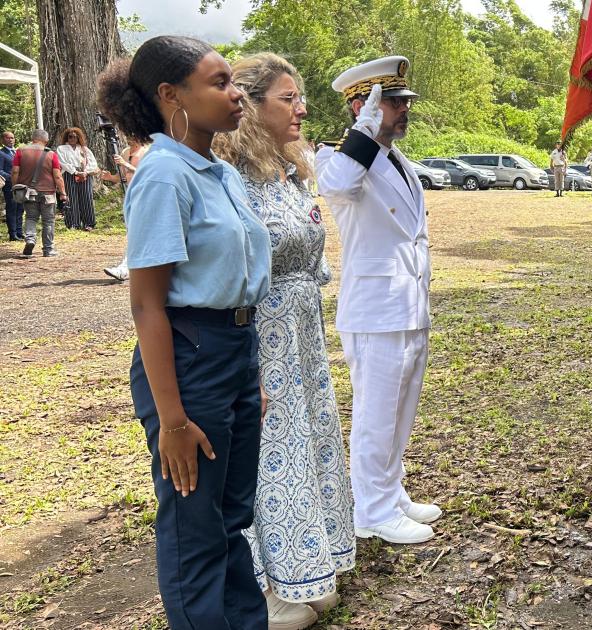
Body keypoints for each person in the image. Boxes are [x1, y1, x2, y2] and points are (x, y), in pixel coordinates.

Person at [97, 35, 271, 628]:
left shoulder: (218, 172)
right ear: (172, 95)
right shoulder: (165, 175)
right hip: (190, 358)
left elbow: (239, 280)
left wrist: (253, 374)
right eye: (219, 83)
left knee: (231, 517)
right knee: (195, 528)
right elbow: (147, 305)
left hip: (234, 352)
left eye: (235, 82)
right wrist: (172, 421)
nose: (236, 94)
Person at [212, 52, 355, 630]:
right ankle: (263, 584)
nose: (302, 108)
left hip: (303, 339)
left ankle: (306, 563)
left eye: (300, 98)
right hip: (261, 340)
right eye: (288, 98)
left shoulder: (289, 172)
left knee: (307, 441)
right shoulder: (230, 178)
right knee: (268, 452)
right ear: (249, 103)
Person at [316, 56, 442, 545]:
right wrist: (364, 131)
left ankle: (390, 492)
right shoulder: (338, 157)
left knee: (400, 408)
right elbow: (339, 186)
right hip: (374, 308)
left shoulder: (397, 160)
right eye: (391, 102)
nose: (402, 110)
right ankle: (370, 509)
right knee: (376, 413)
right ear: (361, 105)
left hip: (408, 302)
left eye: (403, 101)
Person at [102, 135, 150, 282]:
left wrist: (126, 164)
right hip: (130, 194)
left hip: (146, 194)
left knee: (138, 231)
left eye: (132, 136)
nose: (130, 139)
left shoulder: (148, 152)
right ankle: (130, 268)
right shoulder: (125, 151)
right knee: (133, 231)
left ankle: (126, 268)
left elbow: (147, 173)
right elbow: (122, 176)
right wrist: (110, 177)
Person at [12, 130, 67, 258]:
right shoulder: (51, 154)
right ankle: (48, 249)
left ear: (33, 138)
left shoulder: (20, 151)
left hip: (28, 191)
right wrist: (63, 192)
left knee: (31, 217)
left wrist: (15, 187)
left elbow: (15, 171)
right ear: (46, 140)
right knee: (48, 221)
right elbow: (57, 176)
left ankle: (30, 240)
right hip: (48, 192)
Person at [57, 127, 101, 230]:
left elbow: (93, 163)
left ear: (79, 138)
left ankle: (89, 223)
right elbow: (63, 162)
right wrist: (76, 172)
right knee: (71, 199)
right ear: (67, 137)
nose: (73, 139)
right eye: (70, 137)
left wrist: (85, 172)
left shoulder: (84, 149)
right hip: (69, 174)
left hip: (85, 174)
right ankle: (73, 223)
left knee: (86, 198)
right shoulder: (61, 148)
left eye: (75, 137)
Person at [1, 131, 20, 240]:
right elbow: (0, 171)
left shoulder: (17, 152)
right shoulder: (1, 153)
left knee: (20, 208)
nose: (11, 140)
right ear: (2, 140)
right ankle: (12, 234)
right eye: (8, 138)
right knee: (12, 208)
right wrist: (12, 177)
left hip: (21, 185)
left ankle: (19, 232)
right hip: (9, 185)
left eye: (12, 138)